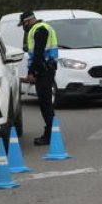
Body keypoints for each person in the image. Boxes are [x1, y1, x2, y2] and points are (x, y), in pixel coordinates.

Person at [19, 10, 59, 145]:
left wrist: (32, 73)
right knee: (46, 103)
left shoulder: (39, 30)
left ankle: (50, 135)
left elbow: (37, 53)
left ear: (28, 21)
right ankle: (51, 133)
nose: (23, 27)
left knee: (45, 104)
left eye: (23, 24)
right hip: (46, 69)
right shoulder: (44, 28)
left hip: (44, 70)